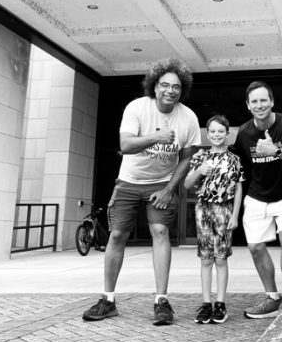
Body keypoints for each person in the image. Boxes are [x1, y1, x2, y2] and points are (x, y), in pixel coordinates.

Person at [82, 58, 201, 325]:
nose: (170, 91)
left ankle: (162, 302)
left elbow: (186, 158)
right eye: (165, 85)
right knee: (116, 236)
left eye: (177, 87)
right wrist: (155, 137)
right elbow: (125, 145)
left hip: (161, 182)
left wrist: (170, 189)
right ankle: (108, 300)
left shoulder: (188, 117)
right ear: (154, 86)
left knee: (159, 232)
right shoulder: (137, 108)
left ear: (182, 90)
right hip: (129, 181)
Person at [233, 81, 282, 318]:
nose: (260, 105)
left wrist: (276, 151)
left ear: (272, 102)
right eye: (254, 101)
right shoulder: (245, 132)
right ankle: (272, 298)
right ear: (248, 105)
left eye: (263, 100)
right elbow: (238, 165)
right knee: (255, 247)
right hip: (257, 196)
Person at [184, 115, 244, 325]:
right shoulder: (200, 157)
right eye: (213, 132)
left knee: (221, 258)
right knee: (206, 258)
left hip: (224, 209)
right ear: (207, 134)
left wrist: (235, 214)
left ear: (227, 134)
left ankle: (220, 304)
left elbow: (238, 188)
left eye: (221, 131)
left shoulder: (234, 160)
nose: (217, 135)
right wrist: (199, 171)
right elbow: (186, 184)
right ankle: (206, 303)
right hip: (204, 209)